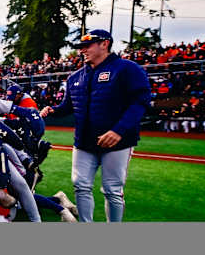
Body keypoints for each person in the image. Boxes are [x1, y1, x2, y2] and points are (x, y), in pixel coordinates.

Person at [40, 29, 151, 222]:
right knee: (80, 185)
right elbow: (69, 106)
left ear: (105, 44)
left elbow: (140, 102)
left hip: (118, 142)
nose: (82, 50)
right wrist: (54, 110)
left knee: (112, 190)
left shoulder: (127, 68)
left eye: (87, 46)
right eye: (80, 47)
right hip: (83, 141)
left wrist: (119, 130)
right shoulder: (75, 77)